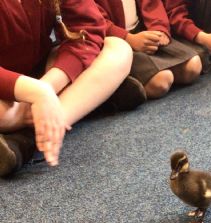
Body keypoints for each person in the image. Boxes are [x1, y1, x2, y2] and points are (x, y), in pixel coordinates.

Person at [0, 0, 133, 177]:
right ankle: (85, 102)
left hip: (41, 73)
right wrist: (34, 91)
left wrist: (48, 86)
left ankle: (32, 135)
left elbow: (88, 28)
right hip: (8, 88)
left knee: (118, 49)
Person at [95, 0, 203, 100]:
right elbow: (95, 20)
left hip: (143, 30)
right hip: (115, 41)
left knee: (193, 66)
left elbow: (152, 5)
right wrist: (128, 38)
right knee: (161, 82)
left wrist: (159, 28)